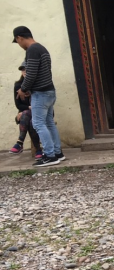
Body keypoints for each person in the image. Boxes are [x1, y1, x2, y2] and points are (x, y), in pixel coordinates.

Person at [12, 26, 63, 167]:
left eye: (17, 42)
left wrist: (23, 89)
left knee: (38, 124)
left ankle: (50, 156)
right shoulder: (42, 48)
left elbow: (31, 73)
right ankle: (58, 153)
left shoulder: (32, 50)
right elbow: (43, 73)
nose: (19, 45)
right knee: (49, 123)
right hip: (49, 91)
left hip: (40, 94)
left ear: (19, 38)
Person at [10, 61, 43, 158]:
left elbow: (41, 102)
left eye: (26, 69)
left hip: (40, 112)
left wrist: (26, 110)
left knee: (28, 117)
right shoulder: (18, 85)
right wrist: (29, 108)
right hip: (26, 114)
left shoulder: (37, 84)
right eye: (22, 69)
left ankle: (20, 143)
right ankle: (38, 150)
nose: (24, 71)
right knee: (29, 119)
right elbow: (18, 105)